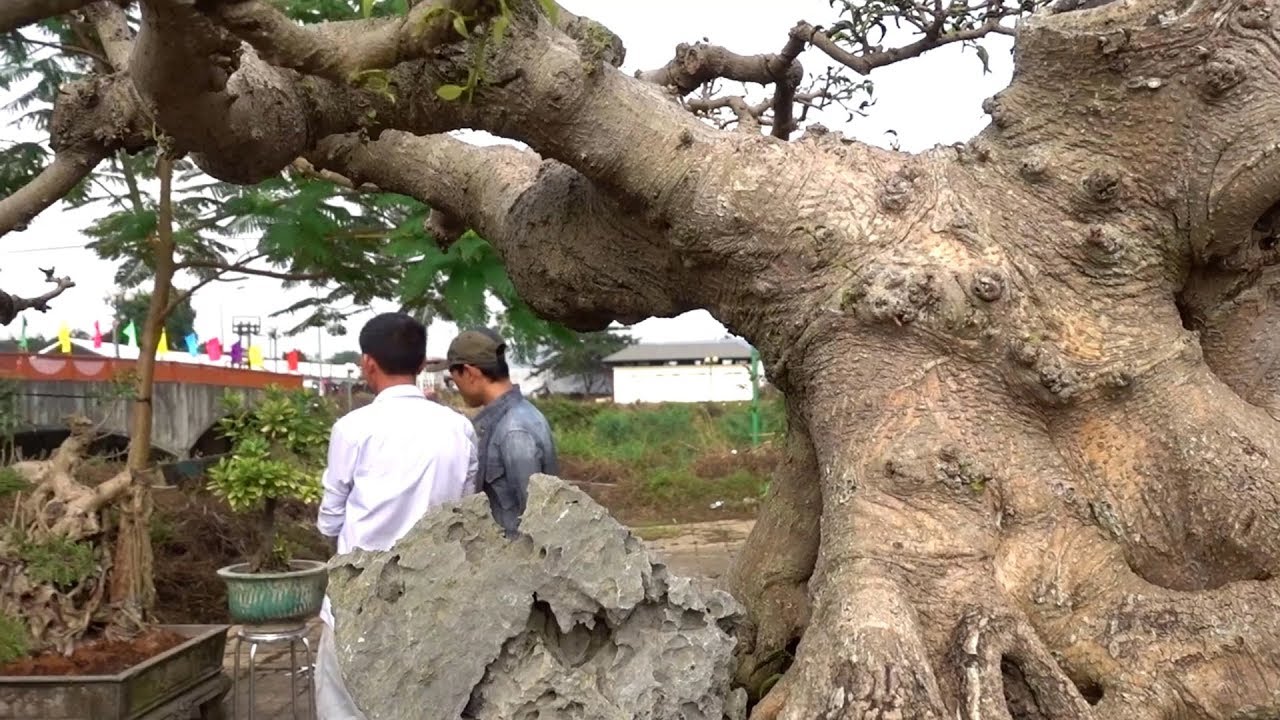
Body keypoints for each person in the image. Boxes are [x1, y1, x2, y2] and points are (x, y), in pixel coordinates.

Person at [314, 313, 478, 720]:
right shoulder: (458, 429)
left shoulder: (353, 428)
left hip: (358, 597)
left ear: (367, 362)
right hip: (433, 593)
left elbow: (330, 516)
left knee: (345, 706)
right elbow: (467, 507)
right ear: (422, 365)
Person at [426, 328, 557, 538]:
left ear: (469, 373)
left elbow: (536, 520)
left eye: (453, 379)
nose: (456, 387)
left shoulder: (514, 431)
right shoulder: (514, 417)